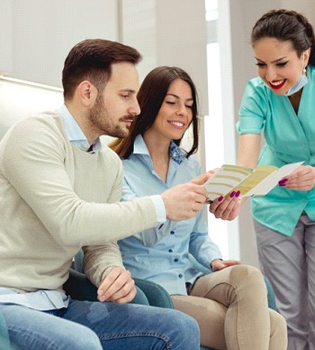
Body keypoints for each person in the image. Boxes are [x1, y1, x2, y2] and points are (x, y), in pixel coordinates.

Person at [0, 39, 204, 350]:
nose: (137, 108)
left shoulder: (107, 163)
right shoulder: (34, 135)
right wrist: (162, 206)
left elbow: (99, 243)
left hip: (57, 301)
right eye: (126, 95)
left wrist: (110, 271)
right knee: (80, 343)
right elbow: (70, 221)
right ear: (88, 93)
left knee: (178, 327)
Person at [111, 66, 288, 350]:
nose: (182, 111)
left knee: (249, 277)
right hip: (154, 288)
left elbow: (197, 237)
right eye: (172, 102)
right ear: (149, 103)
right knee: (273, 327)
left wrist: (214, 261)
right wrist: (178, 199)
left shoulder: (189, 165)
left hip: (192, 278)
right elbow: (143, 234)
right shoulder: (118, 167)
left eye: (189, 105)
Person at [236, 9, 315, 350]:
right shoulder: (257, 92)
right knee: (288, 315)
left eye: (281, 64)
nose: (270, 75)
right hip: (275, 206)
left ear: (305, 55)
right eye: (261, 64)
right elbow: (246, 160)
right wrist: (232, 191)